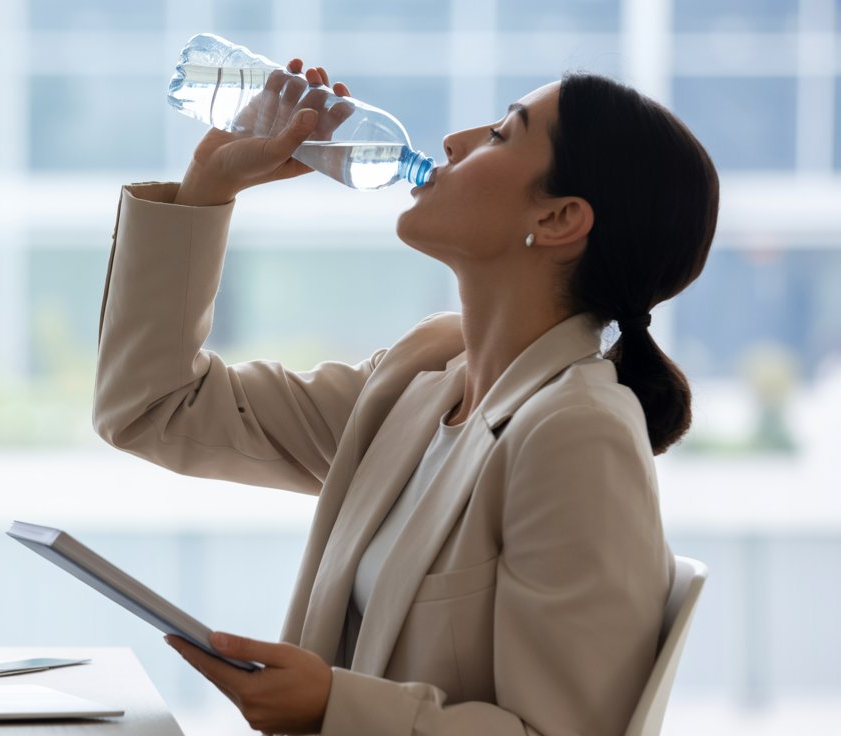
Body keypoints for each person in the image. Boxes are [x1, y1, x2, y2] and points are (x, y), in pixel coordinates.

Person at [93, 59, 719, 736]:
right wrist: (210, 185)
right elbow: (153, 406)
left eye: (503, 134)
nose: (452, 141)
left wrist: (334, 706)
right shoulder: (422, 378)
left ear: (560, 217)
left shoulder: (577, 434)